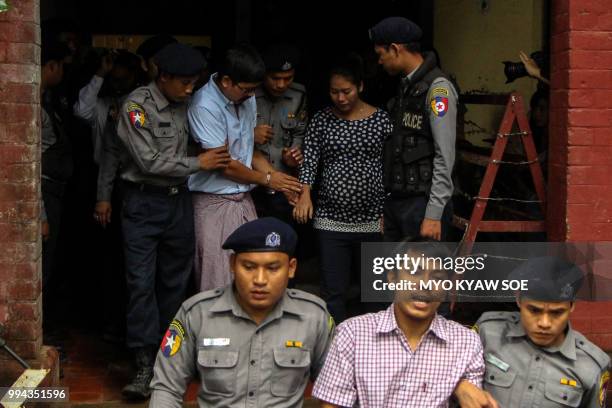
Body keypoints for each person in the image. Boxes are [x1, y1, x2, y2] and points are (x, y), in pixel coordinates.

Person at [116, 43, 231, 400]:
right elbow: (149, 161)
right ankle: (143, 360)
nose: (189, 89)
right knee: (140, 283)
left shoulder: (189, 102)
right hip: (144, 202)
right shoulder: (137, 107)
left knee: (175, 284)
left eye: (194, 82)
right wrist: (201, 164)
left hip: (178, 202)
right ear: (162, 76)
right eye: (183, 82)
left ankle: (171, 356)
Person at [149, 217, 334, 407]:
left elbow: (335, 391)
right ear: (232, 265)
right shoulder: (197, 314)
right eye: (249, 267)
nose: (260, 280)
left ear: (291, 268)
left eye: (272, 268)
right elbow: (166, 388)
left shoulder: (314, 317)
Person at [188, 44, 303, 292]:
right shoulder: (204, 105)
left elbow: (249, 149)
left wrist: (280, 180)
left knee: (250, 278)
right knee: (217, 282)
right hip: (214, 203)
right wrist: (268, 179)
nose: (252, 95)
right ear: (227, 81)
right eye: (248, 89)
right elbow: (224, 165)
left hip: (243, 201)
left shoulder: (245, 98)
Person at [312, 243, 484, 407]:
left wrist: (458, 384)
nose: (425, 284)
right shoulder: (353, 334)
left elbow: (474, 400)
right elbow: (332, 404)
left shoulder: (466, 343)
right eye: (415, 272)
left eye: (437, 278)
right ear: (392, 278)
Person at [293, 54, 392, 323]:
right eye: (334, 92)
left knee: (376, 292)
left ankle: (377, 349)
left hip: (372, 220)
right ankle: (333, 347)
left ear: (360, 86)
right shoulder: (322, 120)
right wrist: (305, 193)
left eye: (346, 91)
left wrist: (388, 210)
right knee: (332, 293)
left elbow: (391, 166)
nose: (340, 98)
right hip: (330, 221)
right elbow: (310, 157)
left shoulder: (381, 120)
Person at [456, 256, 611, 408]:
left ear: (572, 306)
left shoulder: (591, 365)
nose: (544, 323)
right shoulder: (488, 332)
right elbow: (446, 371)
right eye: (534, 310)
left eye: (557, 313)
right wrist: (460, 386)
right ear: (518, 299)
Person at [370, 17, 457, 242]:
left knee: (423, 276)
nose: (379, 62)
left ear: (395, 49)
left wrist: (434, 214)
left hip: (422, 206)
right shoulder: (406, 87)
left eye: (381, 55)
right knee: (393, 276)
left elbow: (444, 155)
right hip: (398, 202)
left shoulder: (438, 89)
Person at [40, 36, 73, 341]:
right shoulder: (33, 108)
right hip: (45, 195)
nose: (62, 72)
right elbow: (29, 164)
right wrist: (40, 213)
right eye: (61, 66)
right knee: (43, 266)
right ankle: (39, 332)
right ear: (50, 66)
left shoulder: (47, 101)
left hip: (54, 193)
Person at [252, 44, 307, 224]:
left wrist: (294, 154)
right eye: (275, 78)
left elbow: (299, 133)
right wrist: (250, 135)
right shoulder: (248, 93)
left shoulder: (298, 95)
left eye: (287, 78)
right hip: (252, 182)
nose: (281, 84)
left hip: (284, 184)